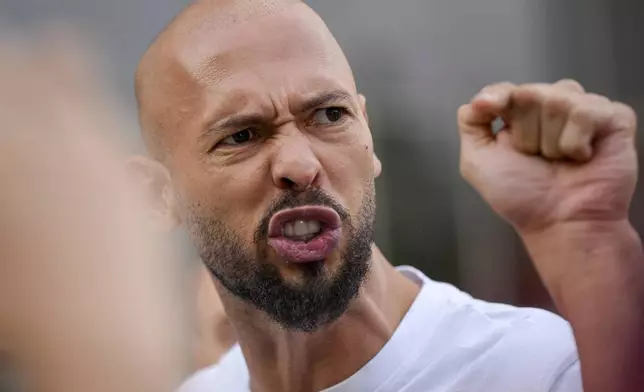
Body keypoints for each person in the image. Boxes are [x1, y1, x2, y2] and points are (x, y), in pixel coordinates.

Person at [131, 0, 644, 391]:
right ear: (158, 198)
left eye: (330, 115)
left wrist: (591, 241)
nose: (301, 165)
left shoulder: (539, 368)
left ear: (368, 135)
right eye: (241, 135)